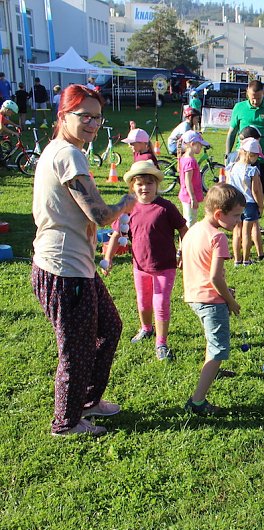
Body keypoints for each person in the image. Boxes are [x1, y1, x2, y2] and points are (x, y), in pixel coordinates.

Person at [31, 85, 136, 436]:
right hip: (63, 269)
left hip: (77, 265)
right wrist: (125, 203)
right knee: (75, 350)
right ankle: (66, 422)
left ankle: (87, 401)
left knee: (109, 329)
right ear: (63, 116)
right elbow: (99, 213)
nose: (92, 123)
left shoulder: (64, 150)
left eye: (97, 117)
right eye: (84, 116)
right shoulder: (68, 155)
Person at [102, 160, 187, 361]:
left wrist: (183, 251)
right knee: (143, 302)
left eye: (149, 183)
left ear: (157, 185)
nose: (144, 188)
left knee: (160, 302)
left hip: (165, 266)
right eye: (140, 184)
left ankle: (161, 343)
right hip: (140, 266)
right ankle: (146, 328)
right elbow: (116, 234)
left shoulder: (165, 208)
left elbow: (183, 229)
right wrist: (108, 257)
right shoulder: (129, 209)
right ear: (133, 186)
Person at [181, 183, 245, 415]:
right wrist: (230, 300)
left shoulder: (194, 229)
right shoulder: (218, 237)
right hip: (211, 300)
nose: (239, 220)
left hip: (194, 296)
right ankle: (197, 402)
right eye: (236, 215)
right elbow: (215, 277)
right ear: (219, 214)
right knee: (218, 349)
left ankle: (213, 371)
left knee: (212, 341)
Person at [225, 80, 264, 195]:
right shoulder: (239, 107)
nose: (255, 101)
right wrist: (227, 154)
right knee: (241, 193)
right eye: (252, 97)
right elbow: (232, 132)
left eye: (258, 97)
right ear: (247, 93)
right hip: (243, 159)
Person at [227, 137, 264, 265]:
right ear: (251, 155)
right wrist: (261, 205)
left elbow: (228, 186)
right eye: (256, 156)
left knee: (237, 231)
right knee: (247, 232)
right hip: (249, 204)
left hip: (235, 203)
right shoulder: (252, 170)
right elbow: (256, 191)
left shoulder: (231, 168)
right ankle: (246, 259)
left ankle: (237, 260)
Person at [178, 130, 209, 228]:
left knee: (190, 220)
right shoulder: (190, 161)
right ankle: (187, 242)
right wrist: (192, 198)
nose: (201, 147)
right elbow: (188, 181)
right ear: (192, 144)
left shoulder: (184, 158)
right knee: (190, 222)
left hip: (186, 195)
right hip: (189, 196)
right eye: (200, 145)